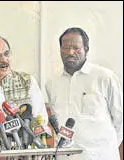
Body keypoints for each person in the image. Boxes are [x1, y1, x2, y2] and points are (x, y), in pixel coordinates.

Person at [45, 27, 123, 160]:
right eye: (65, 48)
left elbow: (120, 120)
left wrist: (104, 150)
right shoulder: (52, 82)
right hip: (65, 157)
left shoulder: (104, 77)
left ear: (86, 49)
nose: (70, 52)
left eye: (76, 48)